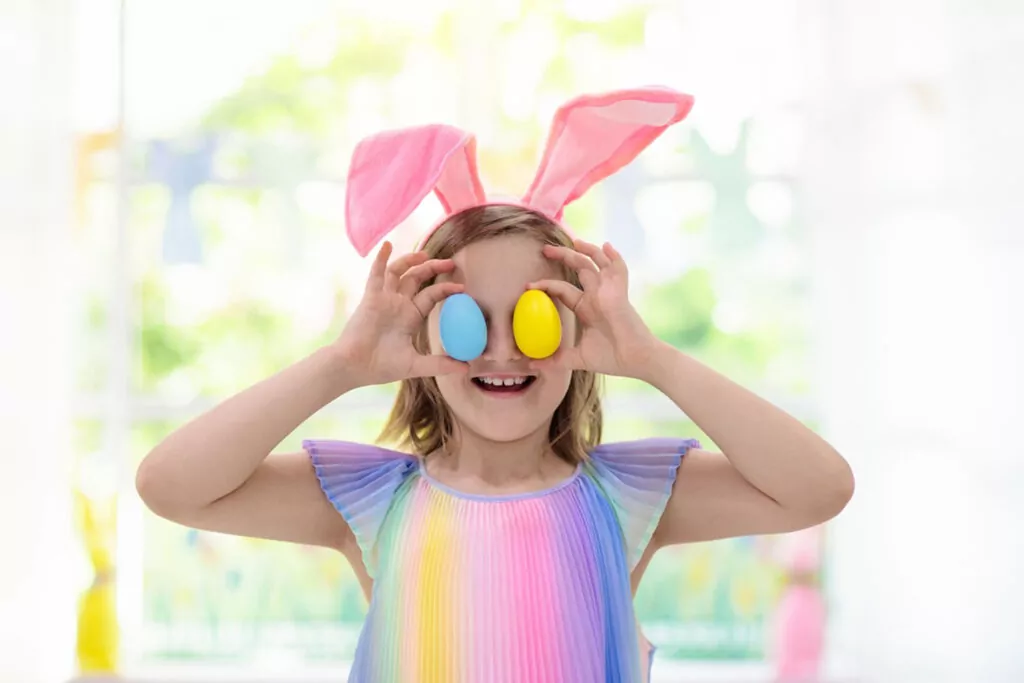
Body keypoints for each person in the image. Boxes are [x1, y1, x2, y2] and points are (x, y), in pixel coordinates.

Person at [136, 87, 854, 682]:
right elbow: (170, 484)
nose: (504, 349)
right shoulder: (376, 502)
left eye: (537, 319)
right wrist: (341, 364)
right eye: (465, 325)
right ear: (423, 337)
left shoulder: (625, 497)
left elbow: (819, 487)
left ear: (577, 335)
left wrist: (654, 358)